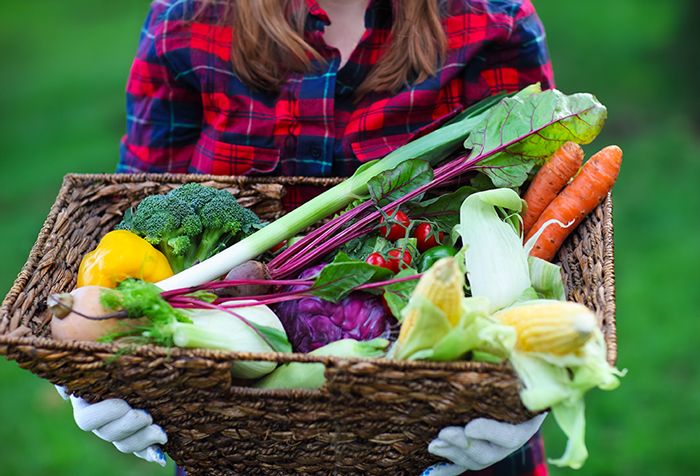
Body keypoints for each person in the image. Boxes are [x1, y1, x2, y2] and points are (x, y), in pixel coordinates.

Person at [62, 1, 555, 474]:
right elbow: (127, 227)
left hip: (452, 432)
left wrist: (535, 380)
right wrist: (101, 360)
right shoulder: (186, 20)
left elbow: (541, 227)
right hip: (233, 444)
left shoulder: (494, 21)